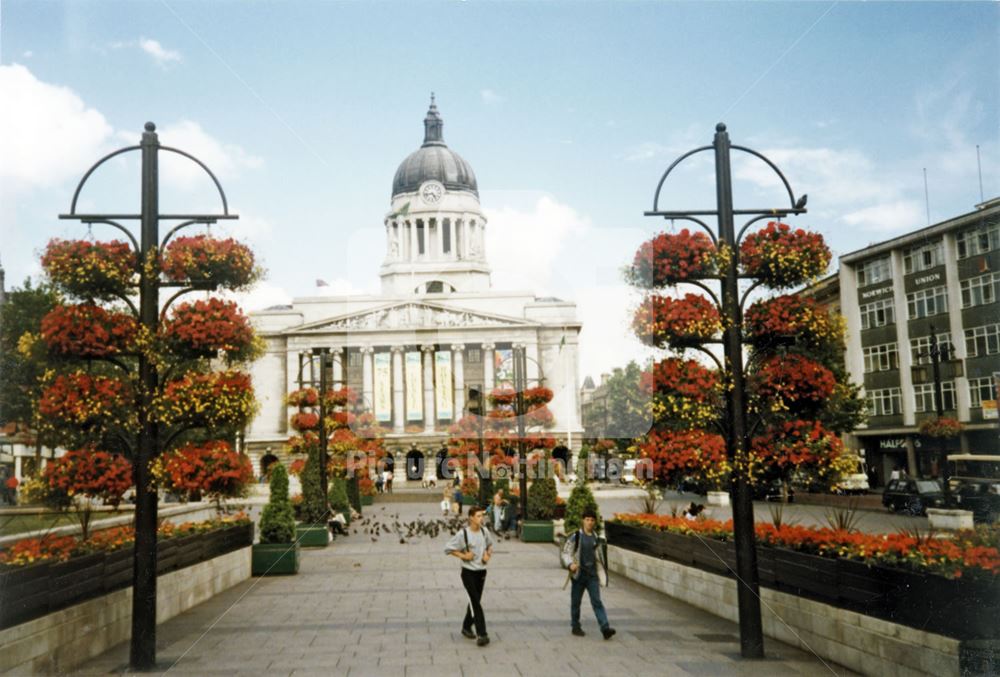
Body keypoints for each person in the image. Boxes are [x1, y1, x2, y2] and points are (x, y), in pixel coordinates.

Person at [560, 508, 615, 640]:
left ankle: (605, 628)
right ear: (583, 521)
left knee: (597, 601)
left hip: (592, 576)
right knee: (576, 602)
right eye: (587, 520)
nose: (589, 522)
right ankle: (575, 625)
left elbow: (600, 558)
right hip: (579, 575)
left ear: (594, 522)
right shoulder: (576, 536)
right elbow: (566, 552)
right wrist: (570, 564)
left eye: (592, 520)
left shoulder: (597, 538)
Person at [444, 505, 494, 646]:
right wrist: (463, 556)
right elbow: (447, 548)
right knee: (476, 603)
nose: (481, 518)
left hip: (481, 572)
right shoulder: (463, 534)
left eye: (482, 515)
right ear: (471, 518)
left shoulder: (485, 532)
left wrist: (487, 555)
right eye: (478, 516)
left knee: (474, 600)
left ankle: (466, 627)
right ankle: (482, 634)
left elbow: (490, 546)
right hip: (468, 573)